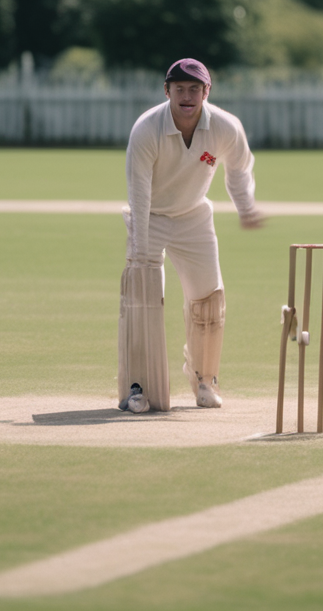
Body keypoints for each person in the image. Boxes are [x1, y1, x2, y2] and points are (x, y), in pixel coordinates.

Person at [117, 58, 264, 414]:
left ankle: (205, 379)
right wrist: (140, 250)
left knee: (208, 300)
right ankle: (137, 387)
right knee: (142, 296)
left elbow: (239, 169)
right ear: (166, 91)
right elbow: (138, 190)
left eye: (194, 89)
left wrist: (245, 208)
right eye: (179, 89)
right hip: (149, 215)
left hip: (193, 216)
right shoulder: (147, 129)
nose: (187, 96)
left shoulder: (226, 127)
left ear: (206, 92)